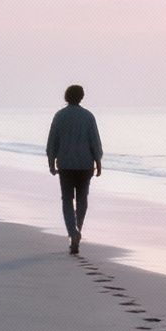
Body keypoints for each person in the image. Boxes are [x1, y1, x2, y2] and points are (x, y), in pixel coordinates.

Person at [45, 84, 103, 254]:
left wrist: (51, 160)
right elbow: (95, 141)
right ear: (81, 97)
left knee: (67, 199)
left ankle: (73, 232)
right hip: (85, 165)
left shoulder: (60, 116)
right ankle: (77, 228)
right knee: (82, 199)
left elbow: (52, 140)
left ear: (66, 97)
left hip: (66, 165)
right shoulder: (88, 117)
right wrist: (98, 161)